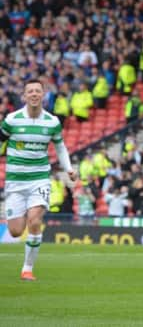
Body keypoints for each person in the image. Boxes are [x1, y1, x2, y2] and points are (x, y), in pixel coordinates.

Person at [0, 79, 77, 280]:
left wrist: (68, 169)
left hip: (39, 179)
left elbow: (60, 147)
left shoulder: (52, 122)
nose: (34, 94)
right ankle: (24, 211)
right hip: (15, 182)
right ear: (24, 96)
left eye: (37, 91)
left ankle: (27, 269)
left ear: (43, 95)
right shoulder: (12, 120)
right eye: (30, 91)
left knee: (35, 220)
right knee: (16, 231)